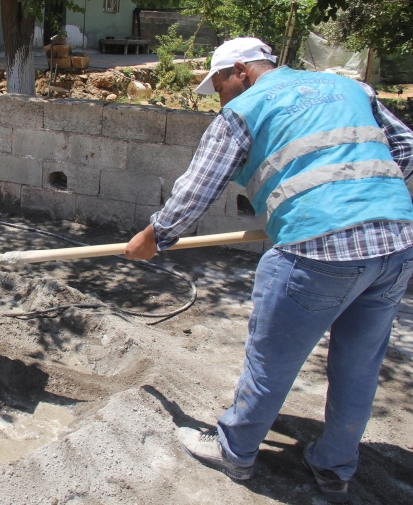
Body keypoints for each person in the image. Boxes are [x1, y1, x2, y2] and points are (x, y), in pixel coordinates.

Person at [124, 37, 413, 502]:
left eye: (218, 84)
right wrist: (364, 193)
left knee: (270, 363)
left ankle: (233, 451)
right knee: (359, 367)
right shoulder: (351, 89)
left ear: (240, 70)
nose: (219, 97)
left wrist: (154, 237)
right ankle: (334, 465)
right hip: (396, 242)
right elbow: (406, 145)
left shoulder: (244, 109)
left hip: (316, 249)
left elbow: (198, 188)